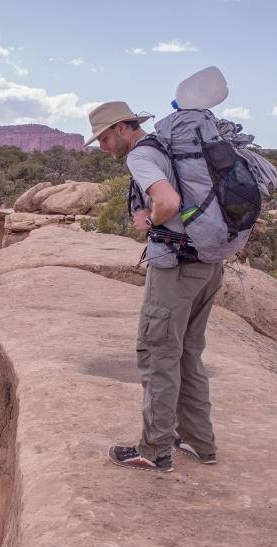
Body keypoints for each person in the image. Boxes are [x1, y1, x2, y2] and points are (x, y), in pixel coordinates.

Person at [84, 101, 222, 473]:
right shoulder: (167, 146)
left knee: (158, 352)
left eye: (105, 137)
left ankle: (155, 450)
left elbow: (169, 201)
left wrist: (149, 220)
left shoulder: (141, 157)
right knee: (187, 353)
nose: (103, 146)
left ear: (123, 129)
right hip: (208, 263)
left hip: (176, 267)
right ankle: (199, 441)